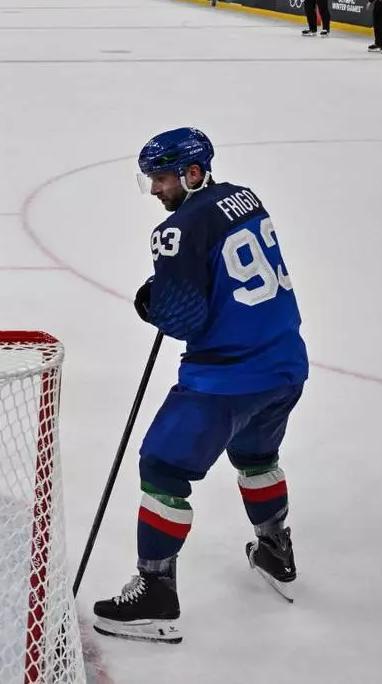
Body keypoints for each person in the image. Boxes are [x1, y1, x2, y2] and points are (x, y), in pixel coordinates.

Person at [92, 128, 308, 644]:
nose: (155, 190)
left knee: (162, 467)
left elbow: (183, 317)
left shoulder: (178, 228)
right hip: (285, 366)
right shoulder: (245, 198)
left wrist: (153, 300)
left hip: (225, 378)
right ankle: (275, 547)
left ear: (193, 173)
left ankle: (154, 594)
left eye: (163, 179)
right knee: (256, 456)